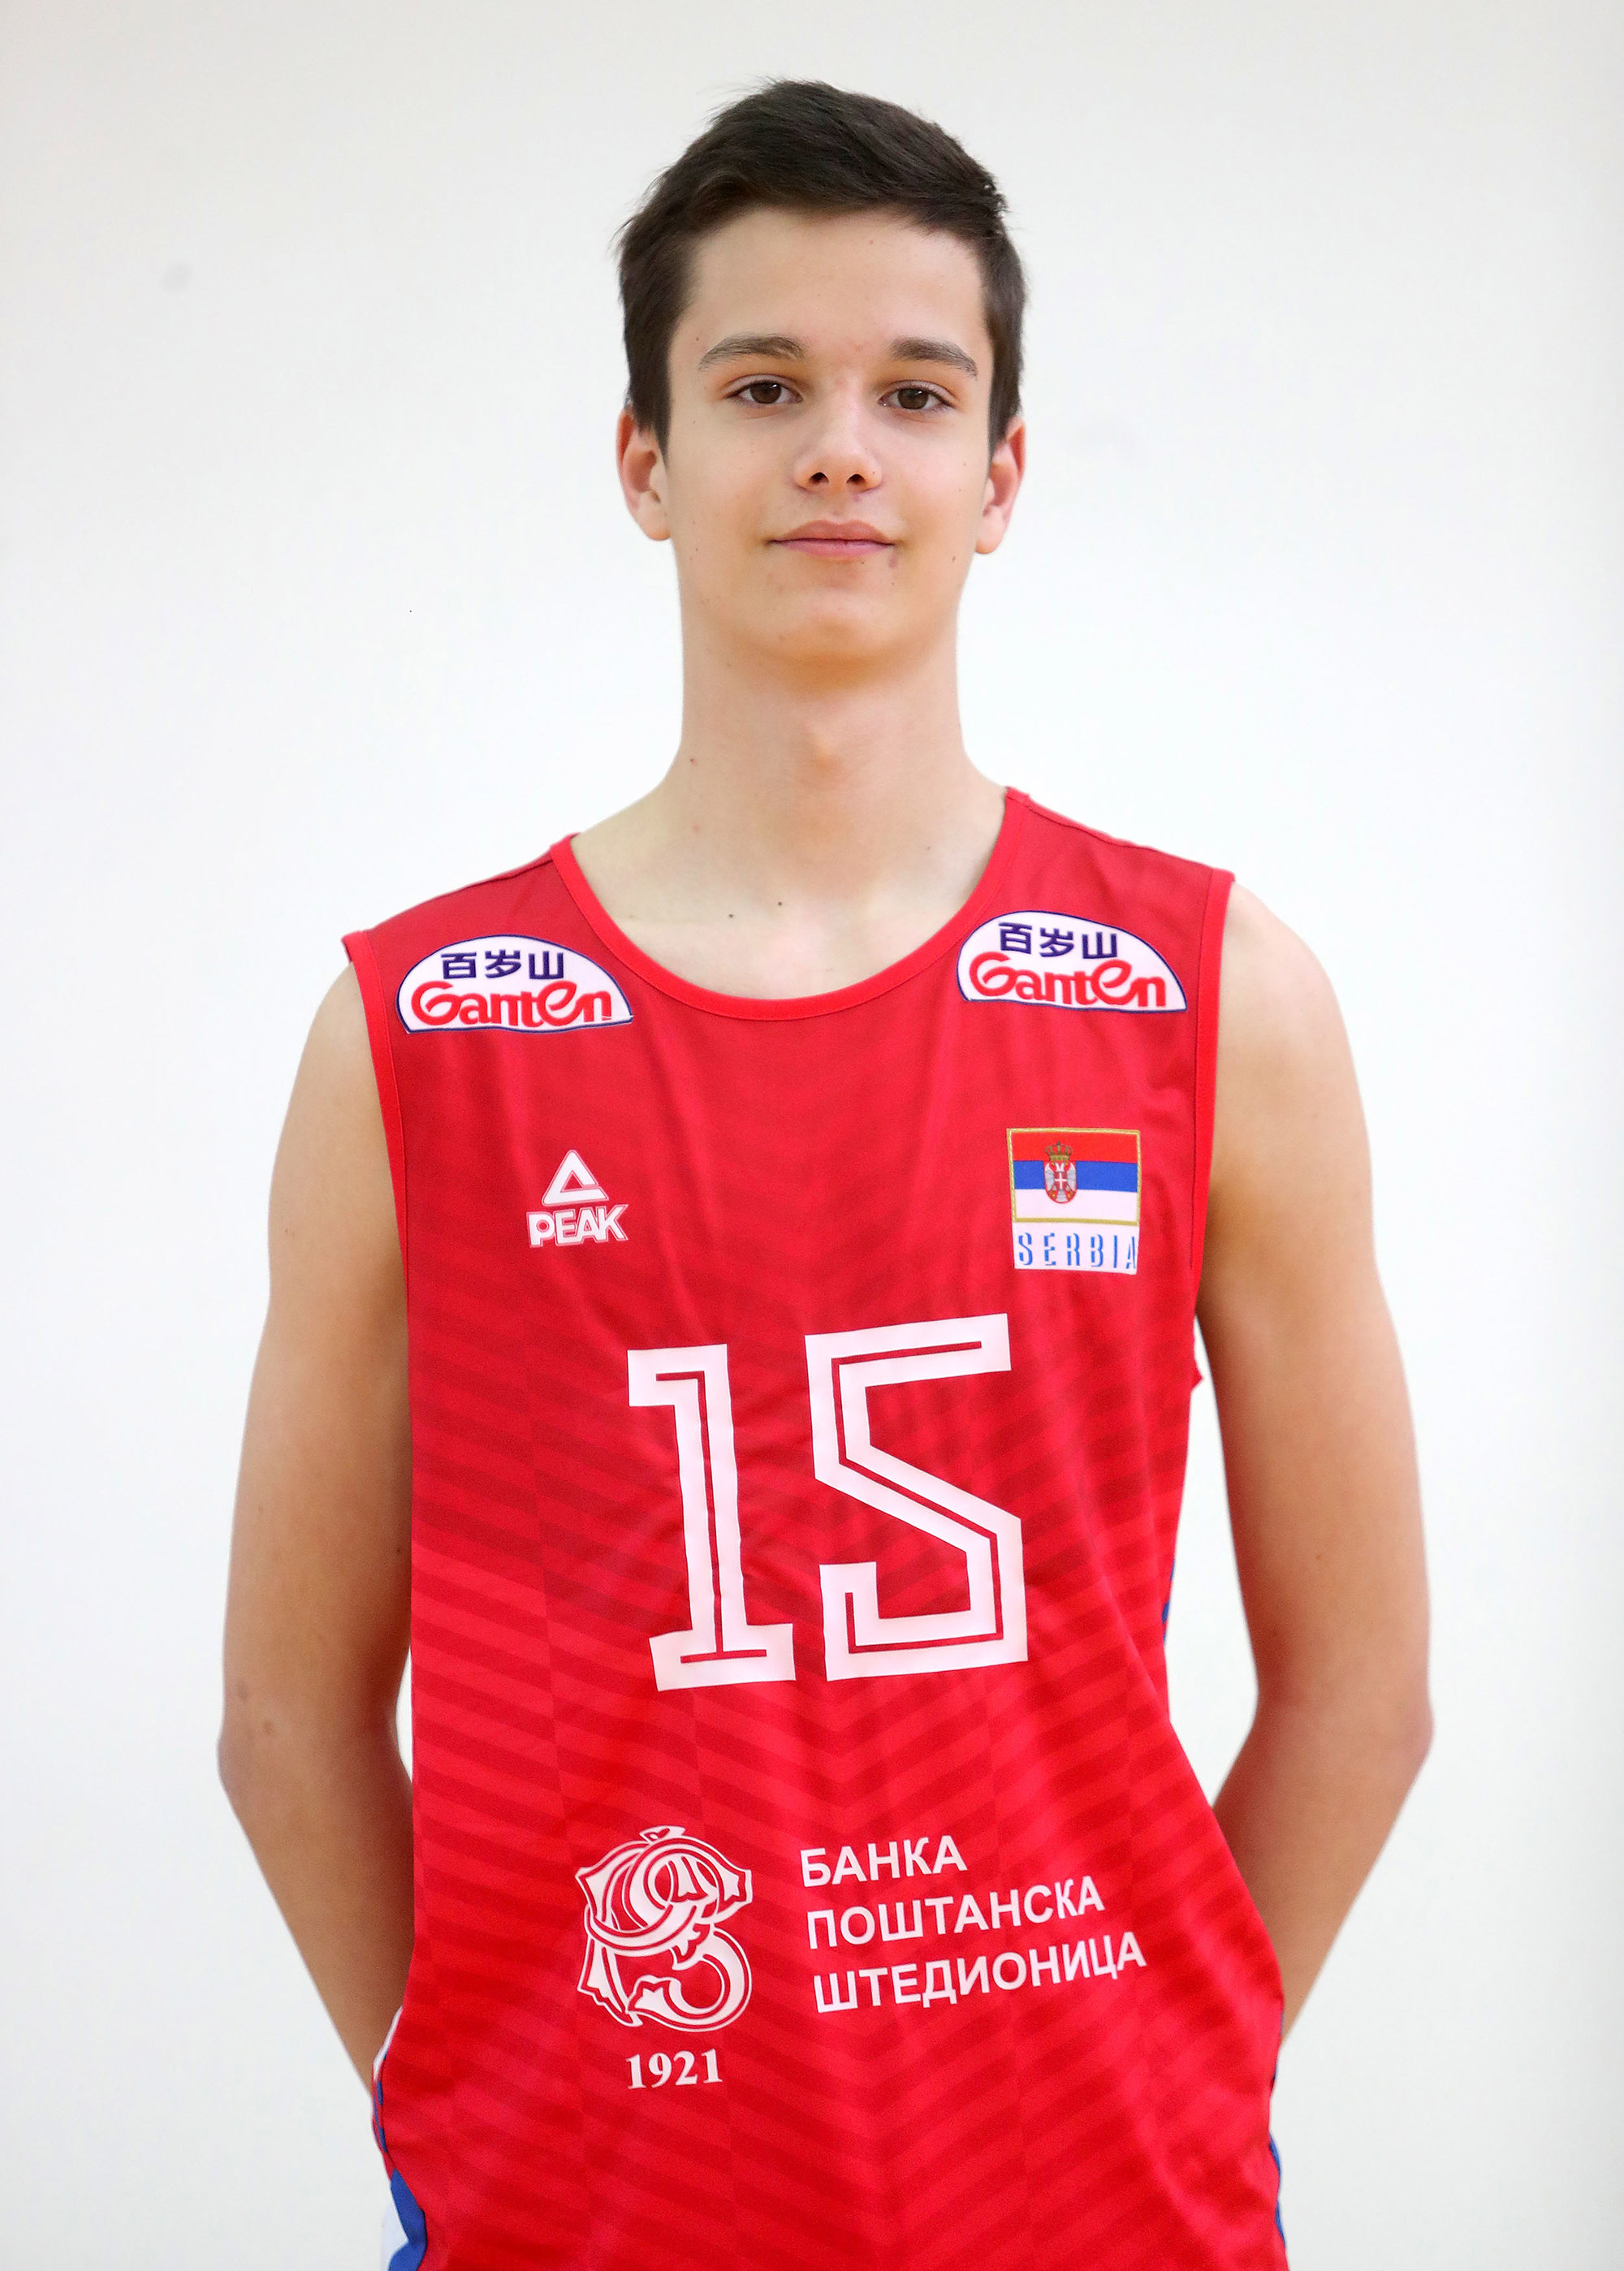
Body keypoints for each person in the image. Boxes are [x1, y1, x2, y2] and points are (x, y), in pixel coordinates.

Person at [218, 80, 1431, 2271]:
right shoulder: (419, 1035)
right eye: (764, 385)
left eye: (916, 392)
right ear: (646, 461)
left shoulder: (1215, 997)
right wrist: (466, 2088)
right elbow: (288, 1716)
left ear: (1002, 475)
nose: (842, 450)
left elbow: (1364, 1689)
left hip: (1099, 2207)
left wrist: (1180, 2057)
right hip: (585, 2214)